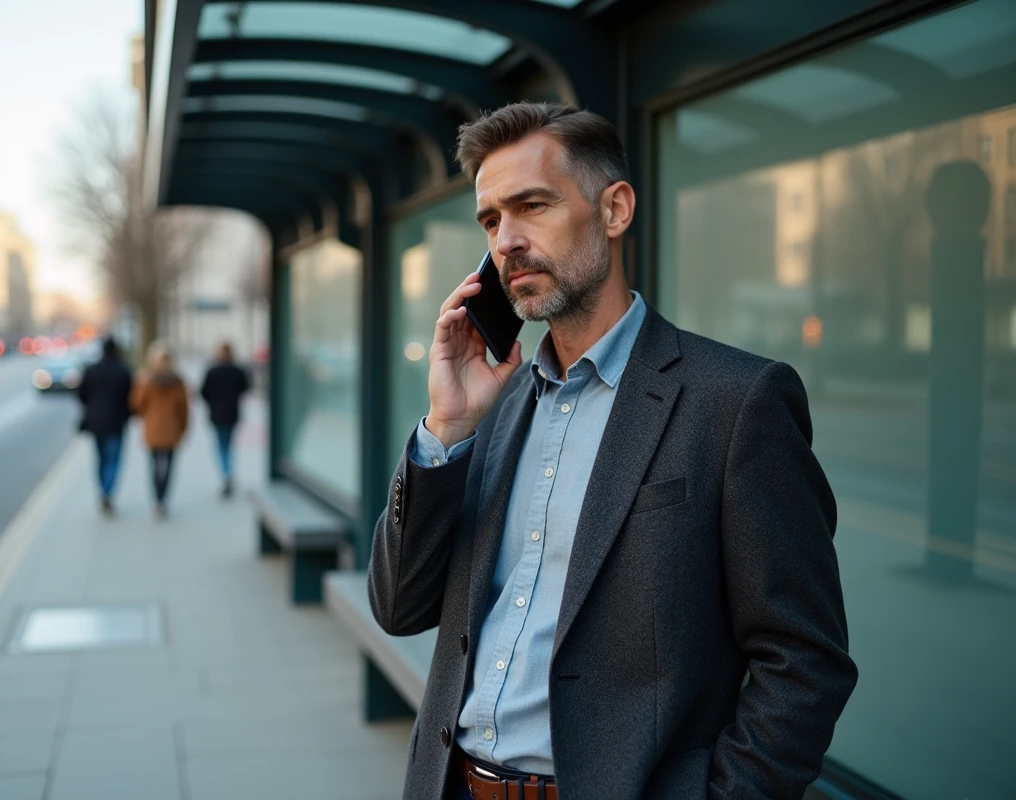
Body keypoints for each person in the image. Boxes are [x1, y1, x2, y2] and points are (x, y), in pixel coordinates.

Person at [368, 102, 857, 800]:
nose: (507, 240)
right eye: (491, 220)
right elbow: (398, 607)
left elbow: (804, 661)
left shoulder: (735, 402)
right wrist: (446, 428)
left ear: (615, 209)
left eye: (532, 206)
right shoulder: (492, 405)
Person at [129, 341, 189, 520]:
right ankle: (163, 500)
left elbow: (137, 404)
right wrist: (183, 429)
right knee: (169, 466)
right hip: (172, 430)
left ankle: (157, 500)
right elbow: (183, 409)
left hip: (153, 429)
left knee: (154, 465)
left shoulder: (147, 380)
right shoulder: (178, 381)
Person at [76, 336, 132, 515]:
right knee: (113, 460)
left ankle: (103, 490)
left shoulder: (91, 370)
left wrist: (92, 407)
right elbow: (132, 399)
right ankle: (108, 491)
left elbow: (81, 394)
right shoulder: (124, 371)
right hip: (117, 422)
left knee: (100, 459)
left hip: (97, 422)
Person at [200, 341, 251, 497]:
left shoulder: (212, 371)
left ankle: (226, 473)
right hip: (232, 413)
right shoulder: (238, 370)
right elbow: (245, 387)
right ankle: (228, 472)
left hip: (217, 413)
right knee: (228, 444)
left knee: (221, 445)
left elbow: (204, 392)